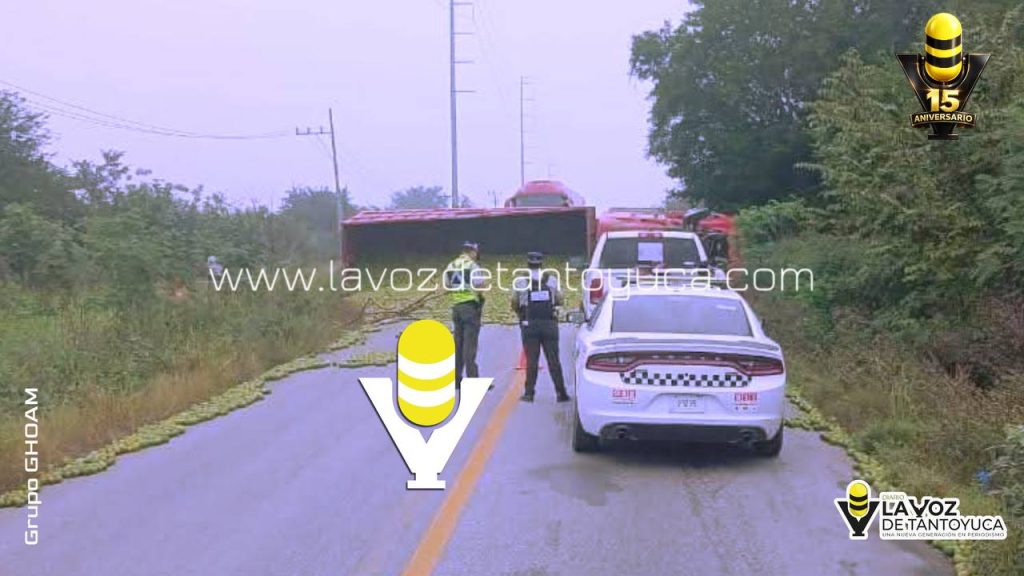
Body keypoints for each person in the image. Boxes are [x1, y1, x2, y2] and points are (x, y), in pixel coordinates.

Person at [510, 252, 570, 403]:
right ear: (541, 264)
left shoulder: (520, 281)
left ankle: (529, 393)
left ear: (528, 263)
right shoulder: (552, 280)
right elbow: (560, 299)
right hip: (549, 324)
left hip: (530, 325)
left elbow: (514, 302)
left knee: (532, 360)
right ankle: (561, 393)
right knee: (554, 360)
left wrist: (521, 315)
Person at [444, 241, 487, 390]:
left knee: (458, 344)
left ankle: (456, 379)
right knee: (470, 346)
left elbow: (447, 286)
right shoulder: (472, 266)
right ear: (473, 252)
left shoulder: (451, 265)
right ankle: (473, 380)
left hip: (456, 308)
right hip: (470, 308)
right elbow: (479, 285)